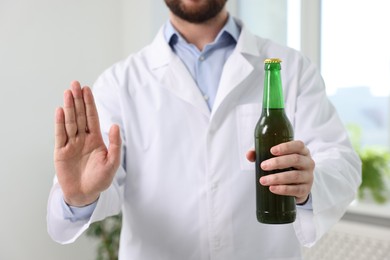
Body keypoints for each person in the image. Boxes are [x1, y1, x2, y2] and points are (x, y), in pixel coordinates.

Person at [47, 0, 361, 259]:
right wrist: (78, 196)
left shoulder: (291, 70)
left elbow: (342, 162)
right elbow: (98, 187)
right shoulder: (120, 84)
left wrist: (310, 181)